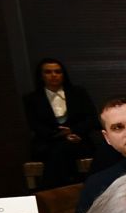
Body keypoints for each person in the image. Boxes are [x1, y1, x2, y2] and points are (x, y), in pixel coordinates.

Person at [21, 57, 100, 187]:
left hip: (79, 140)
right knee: (60, 149)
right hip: (48, 142)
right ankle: (71, 188)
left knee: (64, 150)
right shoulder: (32, 98)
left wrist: (73, 131)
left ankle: (52, 190)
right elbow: (35, 124)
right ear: (41, 76)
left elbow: (91, 119)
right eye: (48, 72)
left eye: (58, 71)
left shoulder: (78, 93)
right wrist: (61, 135)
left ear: (63, 74)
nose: (54, 75)